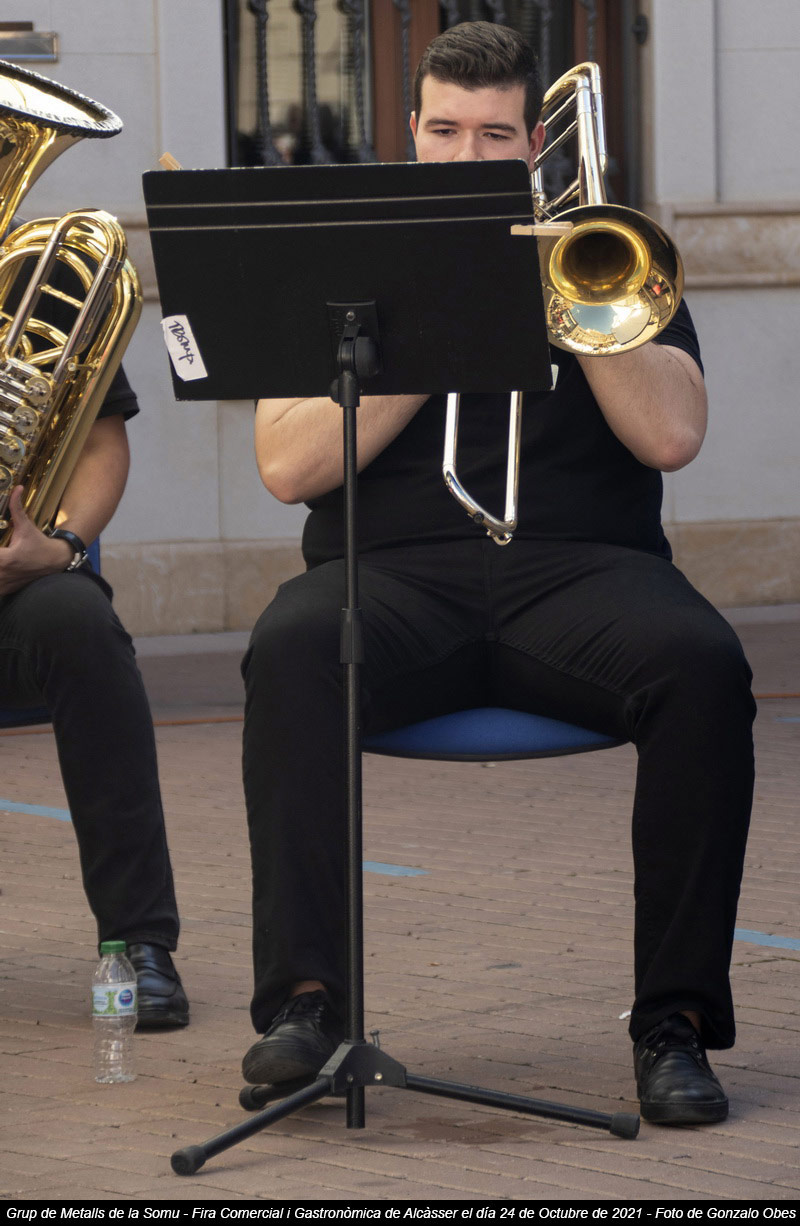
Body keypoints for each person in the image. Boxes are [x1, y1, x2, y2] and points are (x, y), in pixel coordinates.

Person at [239, 21, 754, 1125]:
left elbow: (671, 437)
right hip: (390, 577)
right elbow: (287, 466)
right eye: (444, 131)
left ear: (533, 145)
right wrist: (436, 322)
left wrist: (580, 304)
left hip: (581, 574)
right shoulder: (348, 261)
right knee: (289, 649)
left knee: (702, 664)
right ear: (411, 132)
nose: (466, 156)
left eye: (492, 135)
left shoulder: (609, 249)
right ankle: (307, 1006)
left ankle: (671, 1024)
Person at [0, 253, 189, 1029]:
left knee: (80, 624)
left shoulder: (40, 279)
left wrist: (63, 547)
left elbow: (101, 443)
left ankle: (139, 941)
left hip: (15, 580)